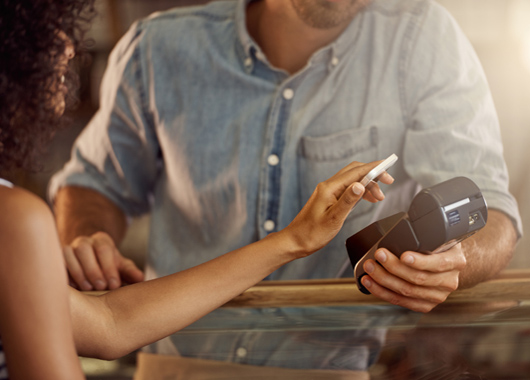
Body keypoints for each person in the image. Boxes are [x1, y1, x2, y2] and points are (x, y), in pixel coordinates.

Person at [49, 0, 522, 371]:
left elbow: (493, 213)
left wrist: (452, 263)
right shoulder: (156, 47)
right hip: (176, 364)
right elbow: (93, 184)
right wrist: (85, 236)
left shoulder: (424, 40)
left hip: (342, 369)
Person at [0, 0, 393, 379]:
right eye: (50, 33)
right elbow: (107, 325)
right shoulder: (15, 218)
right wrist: (294, 241)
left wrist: (294, 239)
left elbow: (108, 324)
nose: (69, 48)